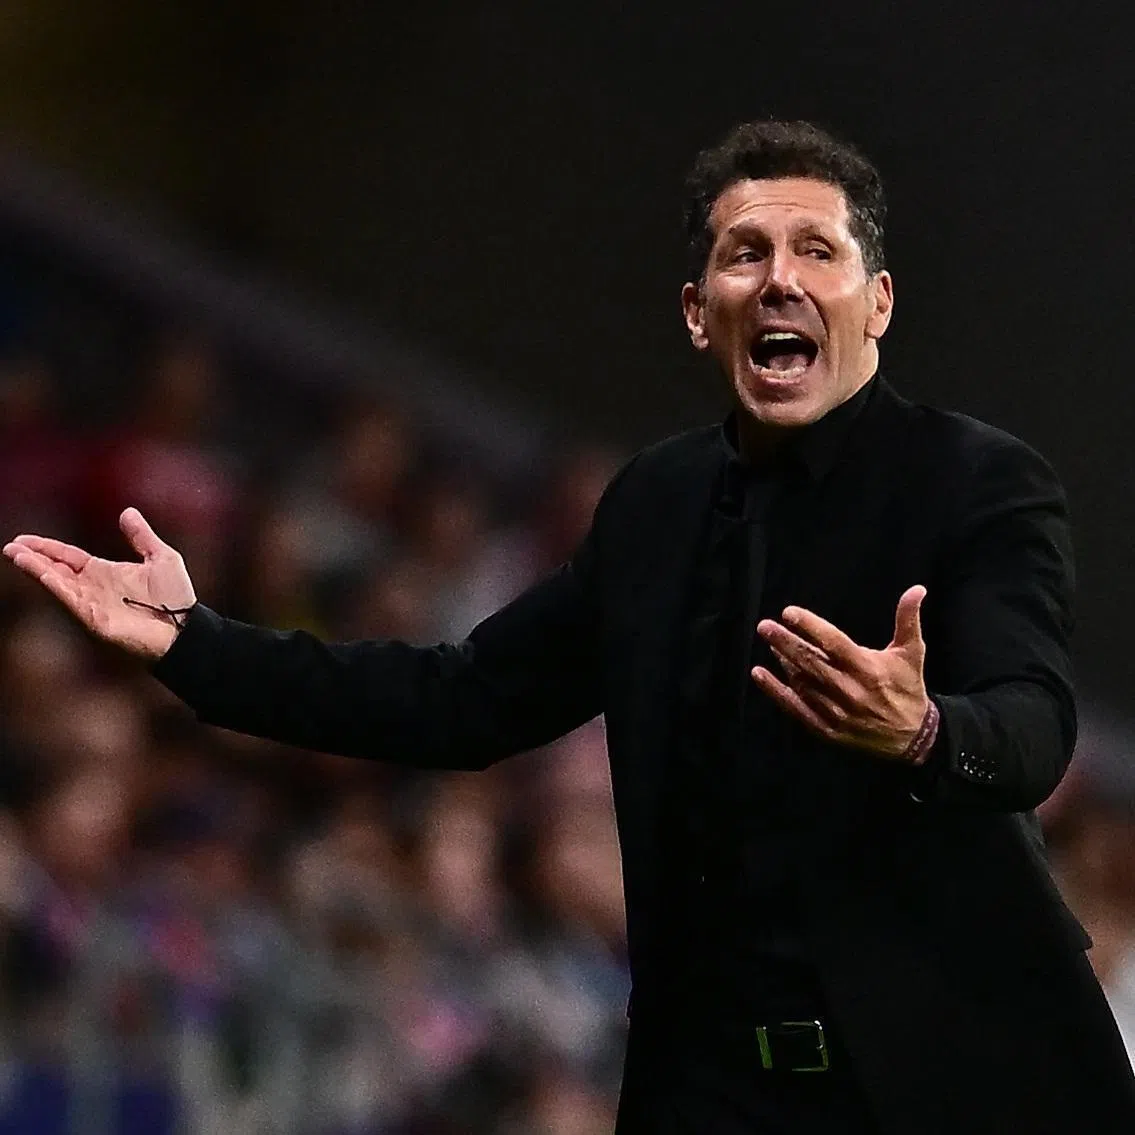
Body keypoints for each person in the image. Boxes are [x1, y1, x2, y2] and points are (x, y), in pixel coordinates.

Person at [6, 120, 1135, 1134]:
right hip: (712, 1092)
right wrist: (198, 645)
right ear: (699, 313)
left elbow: (1033, 722)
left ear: (876, 303)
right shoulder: (655, 506)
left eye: (816, 250)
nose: (779, 278)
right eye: (745, 252)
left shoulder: (978, 483)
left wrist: (927, 731)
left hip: (959, 1088)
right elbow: (460, 699)